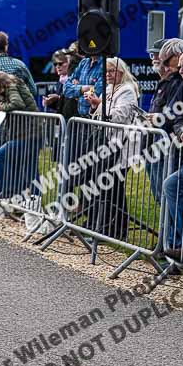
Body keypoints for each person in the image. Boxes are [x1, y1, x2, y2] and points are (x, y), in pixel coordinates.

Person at [78, 57, 140, 240]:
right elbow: (99, 114)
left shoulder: (127, 90)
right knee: (103, 185)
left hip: (121, 145)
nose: (108, 75)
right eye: (106, 72)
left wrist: (102, 108)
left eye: (111, 71)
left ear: (121, 72)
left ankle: (112, 229)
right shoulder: (107, 89)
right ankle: (102, 226)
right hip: (105, 142)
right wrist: (95, 105)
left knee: (113, 186)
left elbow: (120, 115)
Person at [0, 71, 40, 199]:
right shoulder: (12, 86)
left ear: (0, 84)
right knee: (28, 168)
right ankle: (27, 199)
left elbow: (17, 104)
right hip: (28, 133)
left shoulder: (11, 86)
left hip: (29, 134)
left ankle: (9, 190)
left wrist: (0, 106)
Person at [147, 39, 183, 203]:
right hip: (163, 144)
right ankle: (170, 228)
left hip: (173, 148)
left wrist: (160, 119)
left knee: (170, 191)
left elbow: (175, 114)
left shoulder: (178, 82)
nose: (163, 65)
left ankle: (175, 229)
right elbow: (179, 119)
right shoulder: (169, 80)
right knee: (164, 196)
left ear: (177, 56)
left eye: (166, 61)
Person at [163, 51, 183, 260]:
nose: (181, 71)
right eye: (180, 66)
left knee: (171, 184)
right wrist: (182, 131)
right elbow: (178, 119)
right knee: (171, 185)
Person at [42, 50, 79, 121]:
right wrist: (50, 102)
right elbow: (61, 106)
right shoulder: (61, 81)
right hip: (64, 122)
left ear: (69, 63)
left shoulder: (75, 78)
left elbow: (73, 103)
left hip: (74, 122)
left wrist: (59, 97)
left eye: (60, 63)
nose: (57, 66)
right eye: (55, 64)